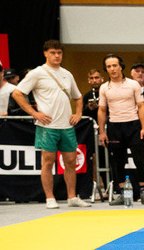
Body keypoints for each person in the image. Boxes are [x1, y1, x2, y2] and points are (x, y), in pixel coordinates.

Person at [10, 40, 91, 209]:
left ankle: (72, 197)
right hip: (47, 125)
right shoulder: (37, 73)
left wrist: (78, 113)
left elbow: (78, 97)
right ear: (45, 53)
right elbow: (17, 93)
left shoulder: (67, 74)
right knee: (48, 161)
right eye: (53, 52)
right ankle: (50, 198)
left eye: (59, 53)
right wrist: (34, 113)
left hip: (66, 125)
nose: (57, 56)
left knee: (70, 161)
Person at [98, 54, 144, 205]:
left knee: (139, 160)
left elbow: (141, 107)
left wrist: (143, 128)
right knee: (118, 162)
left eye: (114, 65)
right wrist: (102, 132)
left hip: (133, 125)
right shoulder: (104, 87)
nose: (112, 69)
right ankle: (123, 194)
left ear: (121, 66)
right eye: (109, 66)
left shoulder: (133, 84)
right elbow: (102, 110)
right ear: (106, 69)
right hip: (115, 127)